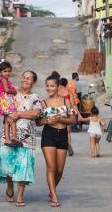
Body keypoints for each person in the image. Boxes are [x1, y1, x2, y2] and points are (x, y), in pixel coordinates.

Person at [0, 70, 41, 207]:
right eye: (23, 77)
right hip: (7, 135)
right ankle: (9, 185)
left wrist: (18, 113)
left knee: (23, 166)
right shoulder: (12, 93)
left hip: (26, 137)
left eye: (28, 78)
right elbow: (1, 106)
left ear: (33, 82)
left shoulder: (35, 97)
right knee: (7, 164)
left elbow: (36, 113)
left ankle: (20, 195)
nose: (25, 80)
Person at [38, 75, 77, 207]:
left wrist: (60, 119)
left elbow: (73, 120)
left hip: (62, 136)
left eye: (52, 86)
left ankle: (52, 189)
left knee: (59, 170)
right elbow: (38, 122)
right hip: (48, 135)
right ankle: (54, 196)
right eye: (47, 86)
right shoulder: (43, 103)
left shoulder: (66, 102)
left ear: (58, 87)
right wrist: (47, 120)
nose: (49, 88)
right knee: (51, 167)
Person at [0, 61, 19, 146]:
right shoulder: (4, 80)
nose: (7, 73)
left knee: (7, 120)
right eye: (5, 71)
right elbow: (7, 90)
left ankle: (9, 139)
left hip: (5, 100)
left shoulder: (4, 79)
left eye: (9, 71)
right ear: (0, 72)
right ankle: (13, 137)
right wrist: (15, 92)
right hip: (5, 100)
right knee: (12, 119)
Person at [58, 78, 81, 154]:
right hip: (67, 113)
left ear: (60, 84)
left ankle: (60, 147)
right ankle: (68, 145)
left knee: (58, 130)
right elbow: (73, 105)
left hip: (58, 113)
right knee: (67, 132)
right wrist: (78, 113)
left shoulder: (57, 92)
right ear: (66, 84)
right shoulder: (69, 92)